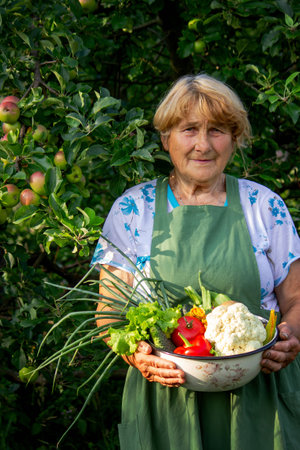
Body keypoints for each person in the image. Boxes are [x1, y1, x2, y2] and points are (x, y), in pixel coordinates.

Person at [91, 74, 300, 450]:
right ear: (166, 137)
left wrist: (292, 336)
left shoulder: (264, 206)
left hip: (259, 399)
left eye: (217, 130)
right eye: (189, 129)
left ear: (234, 139)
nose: (203, 145)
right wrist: (136, 354)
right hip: (165, 403)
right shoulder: (132, 209)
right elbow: (109, 311)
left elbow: (297, 300)